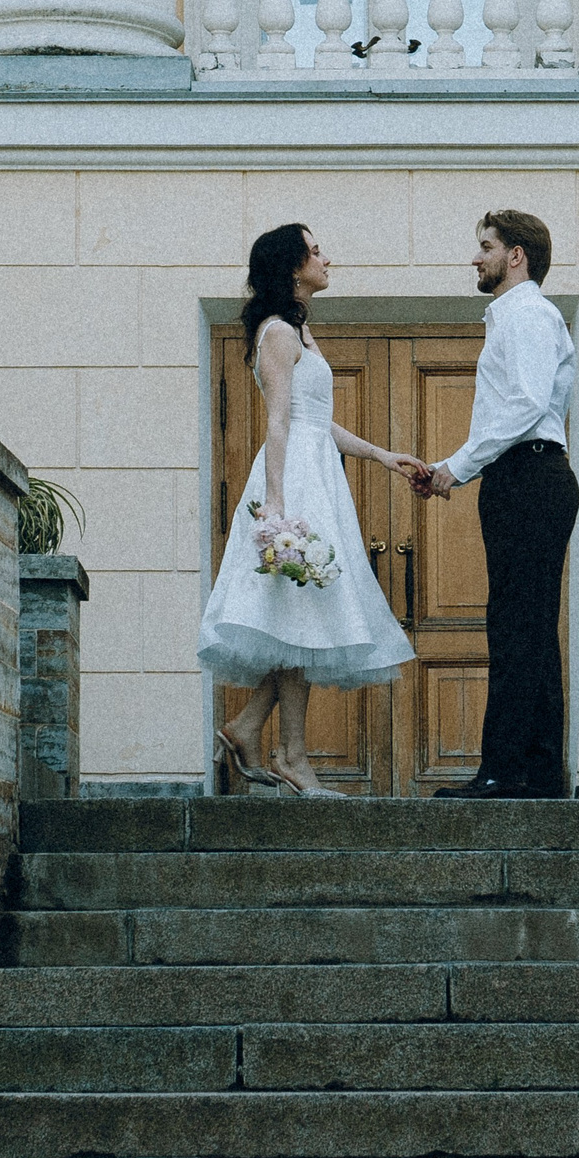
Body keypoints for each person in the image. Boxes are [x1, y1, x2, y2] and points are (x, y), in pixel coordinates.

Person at [202, 223, 422, 796]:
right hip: (294, 475)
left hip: (315, 466)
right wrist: (276, 503)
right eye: (316, 250)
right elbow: (279, 420)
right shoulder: (277, 332)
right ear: (292, 265)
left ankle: (259, 734)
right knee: (300, 617)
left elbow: (316, 419)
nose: (327, 257)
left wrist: (381, 455)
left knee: (301, 621)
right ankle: (288, 754)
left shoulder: (300, 329)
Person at [421, 210, 579, 799]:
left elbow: (525, 404)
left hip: (529, 475)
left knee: (517, 626)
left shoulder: (528, 314)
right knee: (528, 626)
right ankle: (538, 774)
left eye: (485, 247)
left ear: (517, 256)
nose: (476, 258)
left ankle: (504, 771)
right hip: (524, 475)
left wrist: (454, 468)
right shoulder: (515, 317)